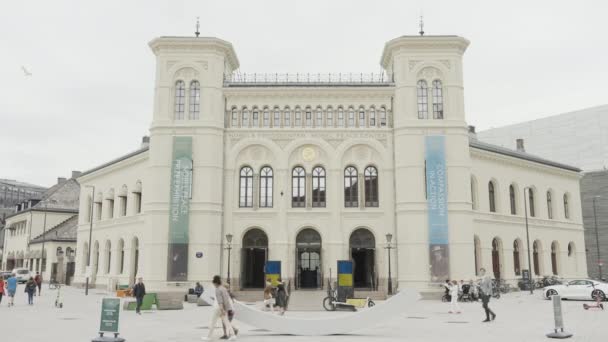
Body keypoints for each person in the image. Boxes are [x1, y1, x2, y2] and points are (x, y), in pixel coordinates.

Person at [202, 275, 236, 341]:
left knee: (213, 322)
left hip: (219, 308)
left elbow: (220, 301)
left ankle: (209, 337)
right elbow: (226, 300)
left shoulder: (217, 290)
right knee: (227, 322)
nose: (214, 285)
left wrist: (222, 309)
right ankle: (233, 335)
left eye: (213, 284)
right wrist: (227, 309)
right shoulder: (223, 289)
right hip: (224, 308)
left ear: (215, 283)